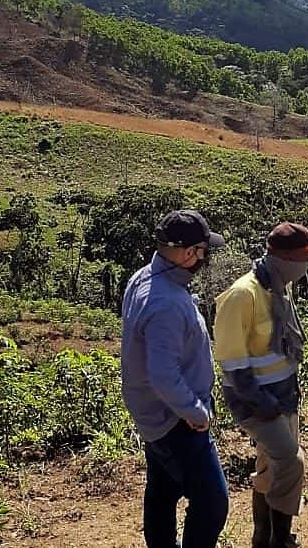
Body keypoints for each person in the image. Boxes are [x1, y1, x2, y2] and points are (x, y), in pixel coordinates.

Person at [213, 222, 308, 548]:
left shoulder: (277, 288)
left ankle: (261, 537)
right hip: (257, 401)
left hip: (283, 395)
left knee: (270, 467)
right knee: (291, 463)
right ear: (288, 259)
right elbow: (232, 363)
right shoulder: (242, 295)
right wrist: (263, 405)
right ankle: (279, 541)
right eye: (306, 257)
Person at [121, 209, 229, 548]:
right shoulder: (166, 301)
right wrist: (196, 412)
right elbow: (163, 374)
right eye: (202, 250)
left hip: (154, 416)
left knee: (162, 492)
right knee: (212, 502)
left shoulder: (143, 278)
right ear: (187, 253)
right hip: (176, 420)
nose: (204, 257)